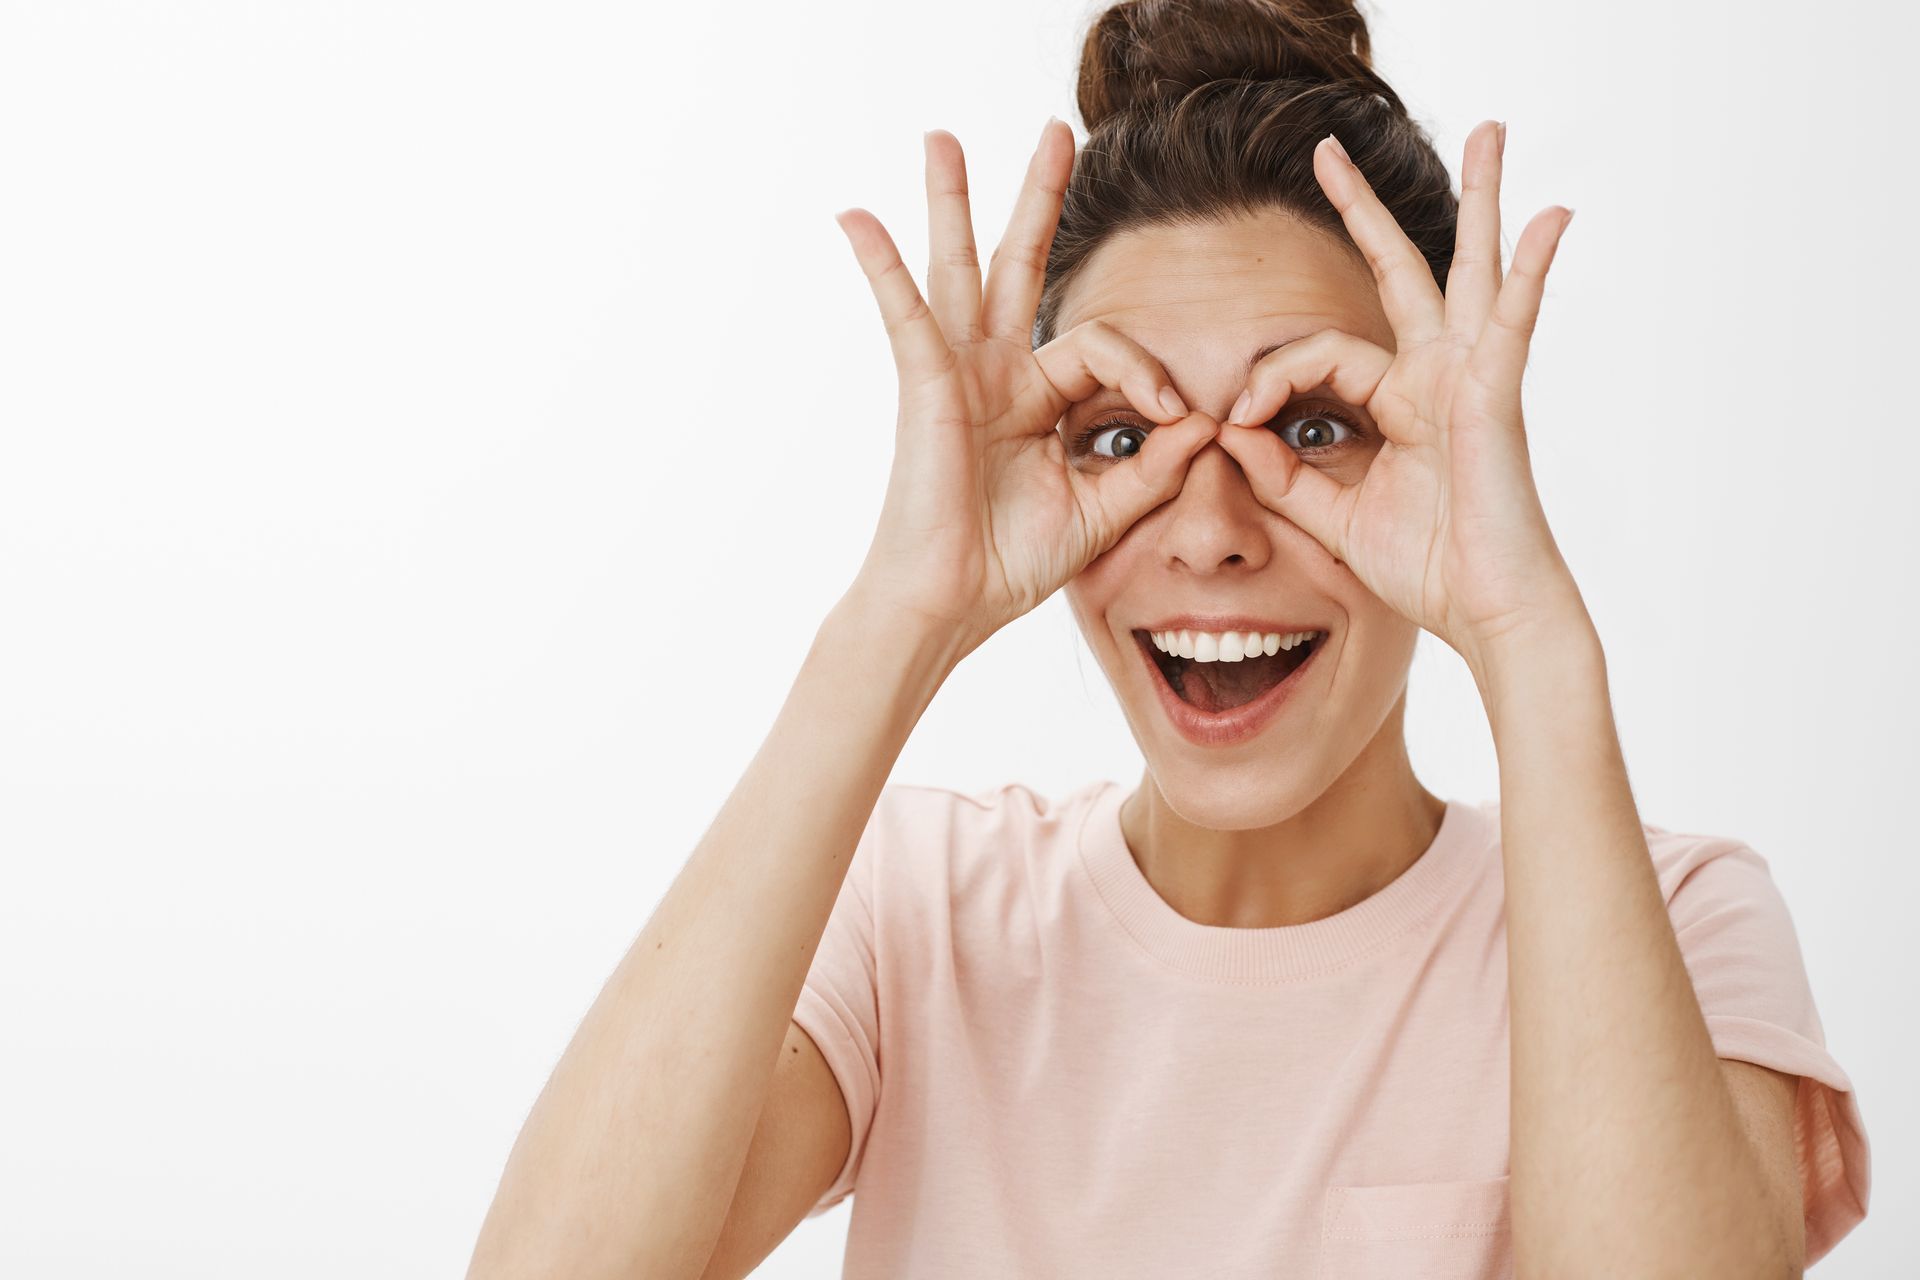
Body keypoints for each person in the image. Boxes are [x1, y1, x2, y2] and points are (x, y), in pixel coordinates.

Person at [465, 1, 1870, 1276]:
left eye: (1313, 427)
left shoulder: (1676, 922)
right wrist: (894, 621)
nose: (1209, 530)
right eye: (1123, 437)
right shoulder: (921, 914)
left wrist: (1529, 637)